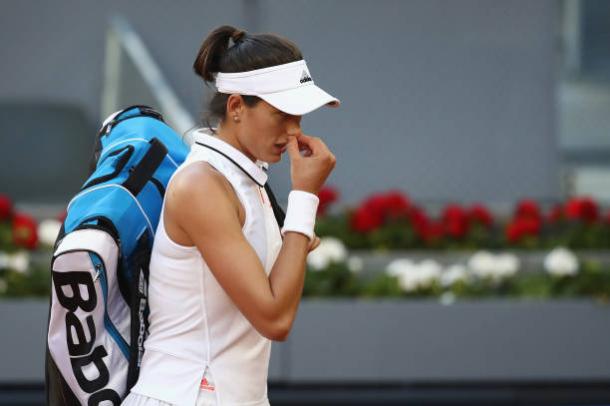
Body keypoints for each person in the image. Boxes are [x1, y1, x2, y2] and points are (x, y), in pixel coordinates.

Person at [121, 24, 339, 406]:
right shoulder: (202, 185)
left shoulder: (246, 179)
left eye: (299, 117)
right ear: (236, 107)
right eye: (281, 114)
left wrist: (296, 236)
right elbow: (274, 319)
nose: (293, 132)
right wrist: (304, 198)